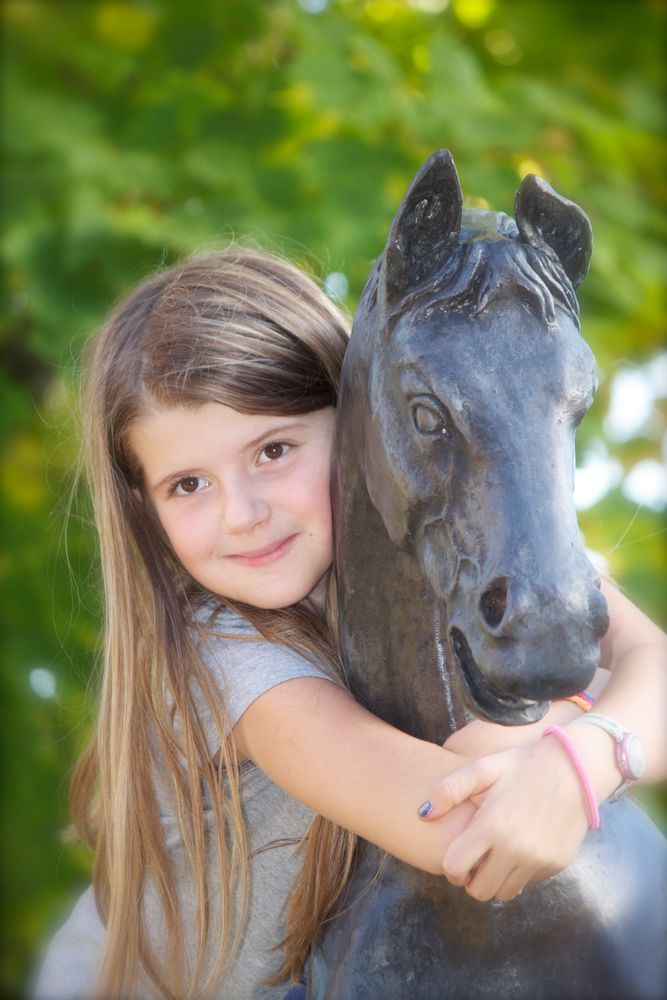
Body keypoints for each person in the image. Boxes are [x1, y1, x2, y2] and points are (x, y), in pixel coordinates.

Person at [34, 247, 666, 1000]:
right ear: (145, 505)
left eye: (273, 450)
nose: (241, 514)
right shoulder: (224, 647)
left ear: (367, 416)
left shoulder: (465, 540)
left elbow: (651, 661)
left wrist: (578, 758)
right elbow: (462, 828)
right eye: (187, 484)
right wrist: (566, 723)